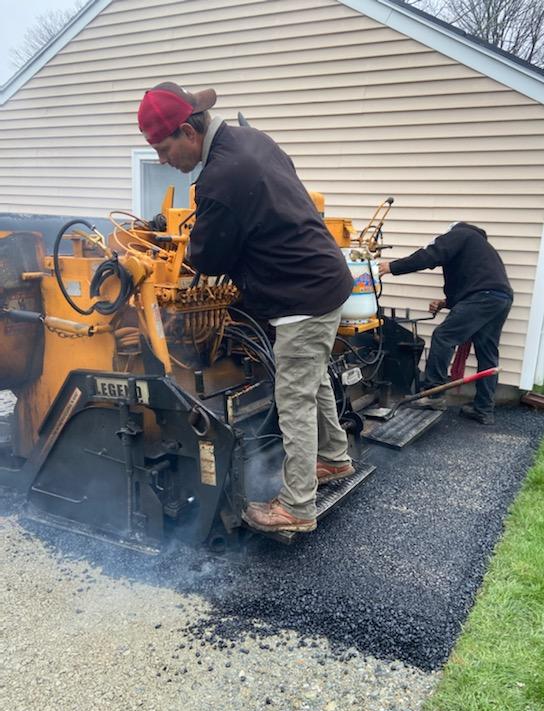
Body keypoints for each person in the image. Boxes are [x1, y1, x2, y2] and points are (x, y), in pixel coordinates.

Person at [137, 82, 355, 534]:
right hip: (325, 280)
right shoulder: (251, 139)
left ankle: (296, 509)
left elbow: (210, 258)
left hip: (301, 296)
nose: (162, 160)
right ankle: (334, 458)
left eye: (162, 148)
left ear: (187, 132)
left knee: (293, 396)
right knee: (311, 380)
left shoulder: (221, 176)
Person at [379, 222, 513, 424]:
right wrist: (445, 303)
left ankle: (433, 396)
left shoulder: (459, 234)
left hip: (483, 296)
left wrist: (391, 267)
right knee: (487, 353)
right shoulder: (479, 246)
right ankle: (484, 409)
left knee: (443, 336)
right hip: (499, 299)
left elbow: (429, 255)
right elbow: (473, 280)